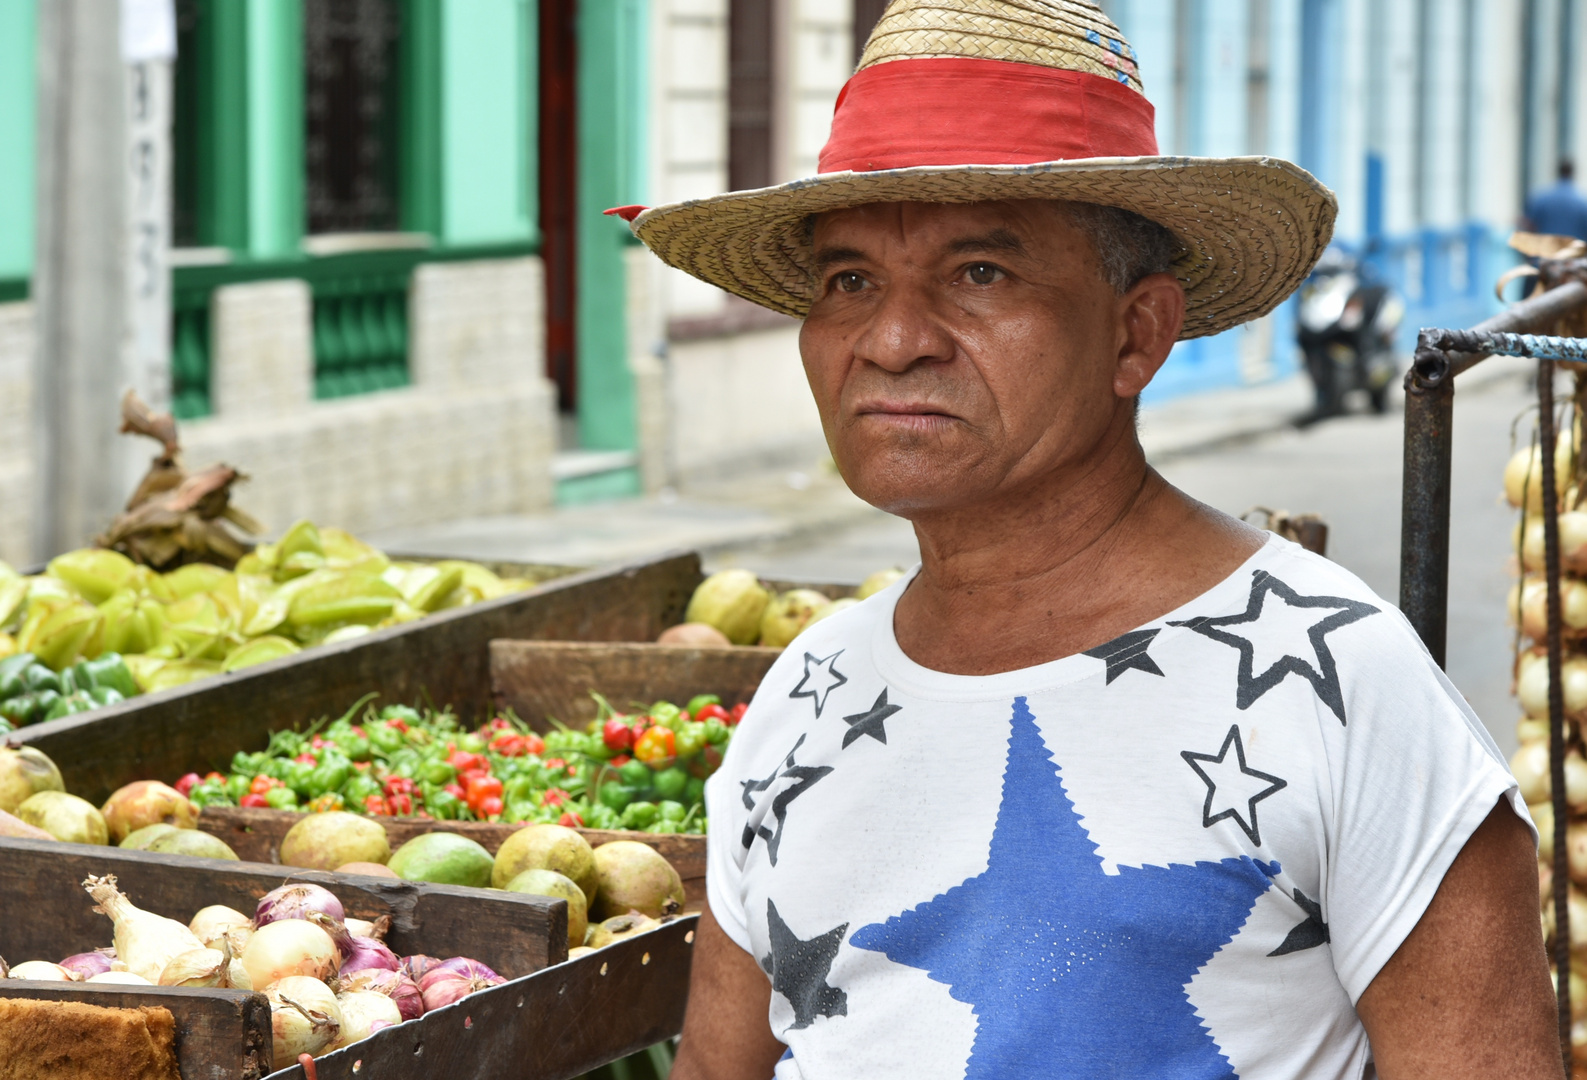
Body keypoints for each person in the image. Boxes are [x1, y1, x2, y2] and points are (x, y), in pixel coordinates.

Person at [615, 2, 1558, 1077]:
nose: (891, 341)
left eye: (981, 274)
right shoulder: (809, 694)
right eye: (850, 281)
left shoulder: (1335, 680)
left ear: (1135, 332)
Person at [1524, 160, 1587, 240]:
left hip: (1546, 249)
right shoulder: (1582, 202)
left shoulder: (1541, 198)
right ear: (1573, 173)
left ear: (1557, 171)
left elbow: (1530, 225)